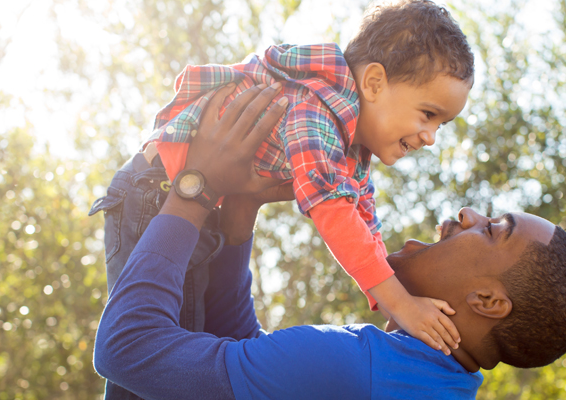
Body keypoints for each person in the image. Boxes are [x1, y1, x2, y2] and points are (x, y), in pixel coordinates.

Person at [94, 85, 566, 399]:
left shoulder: (359, 371)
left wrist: (195, 188)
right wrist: (241, 207)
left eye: (492, 229)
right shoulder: (420, 381)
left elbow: (126, 350)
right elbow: (246, 359)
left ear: (487, 301)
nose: (468, 213)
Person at [103, 0, 476, 356]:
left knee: (188, 339)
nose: (431, 136)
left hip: (196, 207)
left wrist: (400, 297)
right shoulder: (316, 110)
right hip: (156, 193)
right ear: (375, 83)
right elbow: (334, 214)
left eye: (442, 124)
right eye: (428, 114)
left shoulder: (352, 148)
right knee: (155, 343)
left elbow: (365, 223)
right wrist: (403, 305)